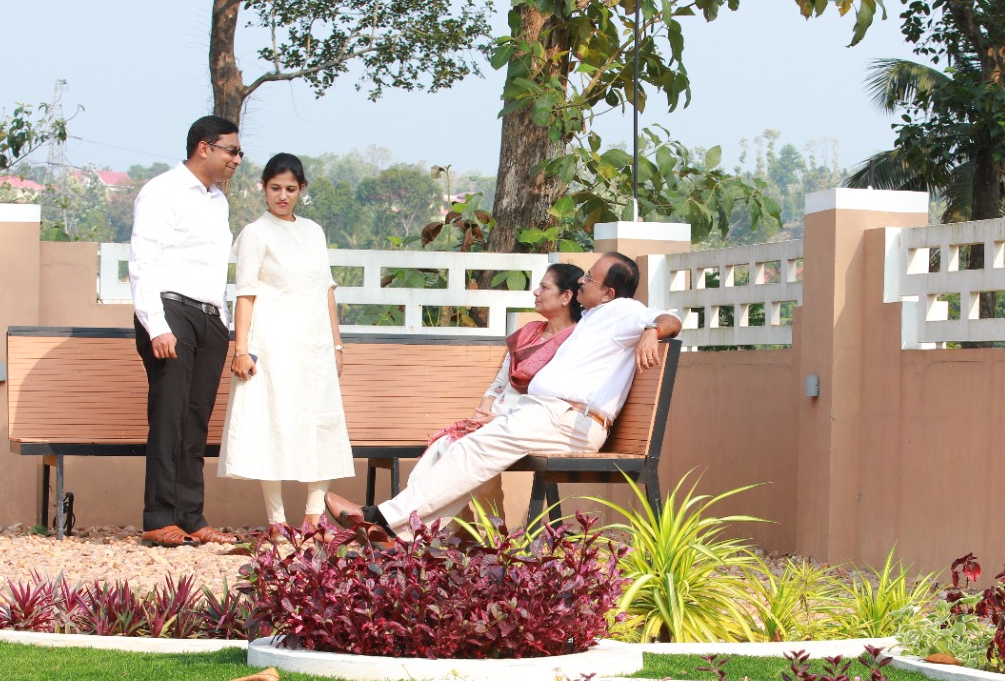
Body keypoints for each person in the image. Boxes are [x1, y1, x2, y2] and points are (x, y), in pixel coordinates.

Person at [324, 252, 683, 540]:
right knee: (463, 449)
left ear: (608, 292)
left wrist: (652, 330)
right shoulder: (592, 318)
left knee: (472, 450)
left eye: (590, 277)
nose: (582, 280)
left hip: (568, 419)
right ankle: (392, 534)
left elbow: (672, 320)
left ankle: (379, 519)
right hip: (548, 415)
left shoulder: (623, 311)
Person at [217, 153, 355, 534]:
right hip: (273, 345)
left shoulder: (313, 232)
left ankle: (314, 514)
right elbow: (245, 294)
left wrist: (337, 345)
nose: (282, 196)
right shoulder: (254, 234)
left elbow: (326, 289)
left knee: (321, 421)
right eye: (275, 188)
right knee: (271, 423)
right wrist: (240, 349)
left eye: (290, 189)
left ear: (301, 190)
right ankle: (277, 520)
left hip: (315, 346)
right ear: (263, 187)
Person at [129, 115, 243, 547]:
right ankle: (158, 517)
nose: (236, 159)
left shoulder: (218, 200)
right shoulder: (163, 191)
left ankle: (191, 518)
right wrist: (155, 325)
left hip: (210, 317)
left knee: (196, 421)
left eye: (238, 152)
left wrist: (224, 321)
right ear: (204, 148)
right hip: (171, 311)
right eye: (231, 150)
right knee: (169, 416)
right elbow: (143, 261)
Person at [420, 261, 585, 525]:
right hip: (497, 417)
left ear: (566, 296)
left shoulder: (575, 342)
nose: (536, 292)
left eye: (544, 287)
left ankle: (476, 532)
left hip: (527, 425)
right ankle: (463, 528)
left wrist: (498, 420)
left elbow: (554, 400)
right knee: (444, 445)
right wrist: (485, 409)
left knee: (463, 451)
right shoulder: (530, 332)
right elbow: (501, 381)